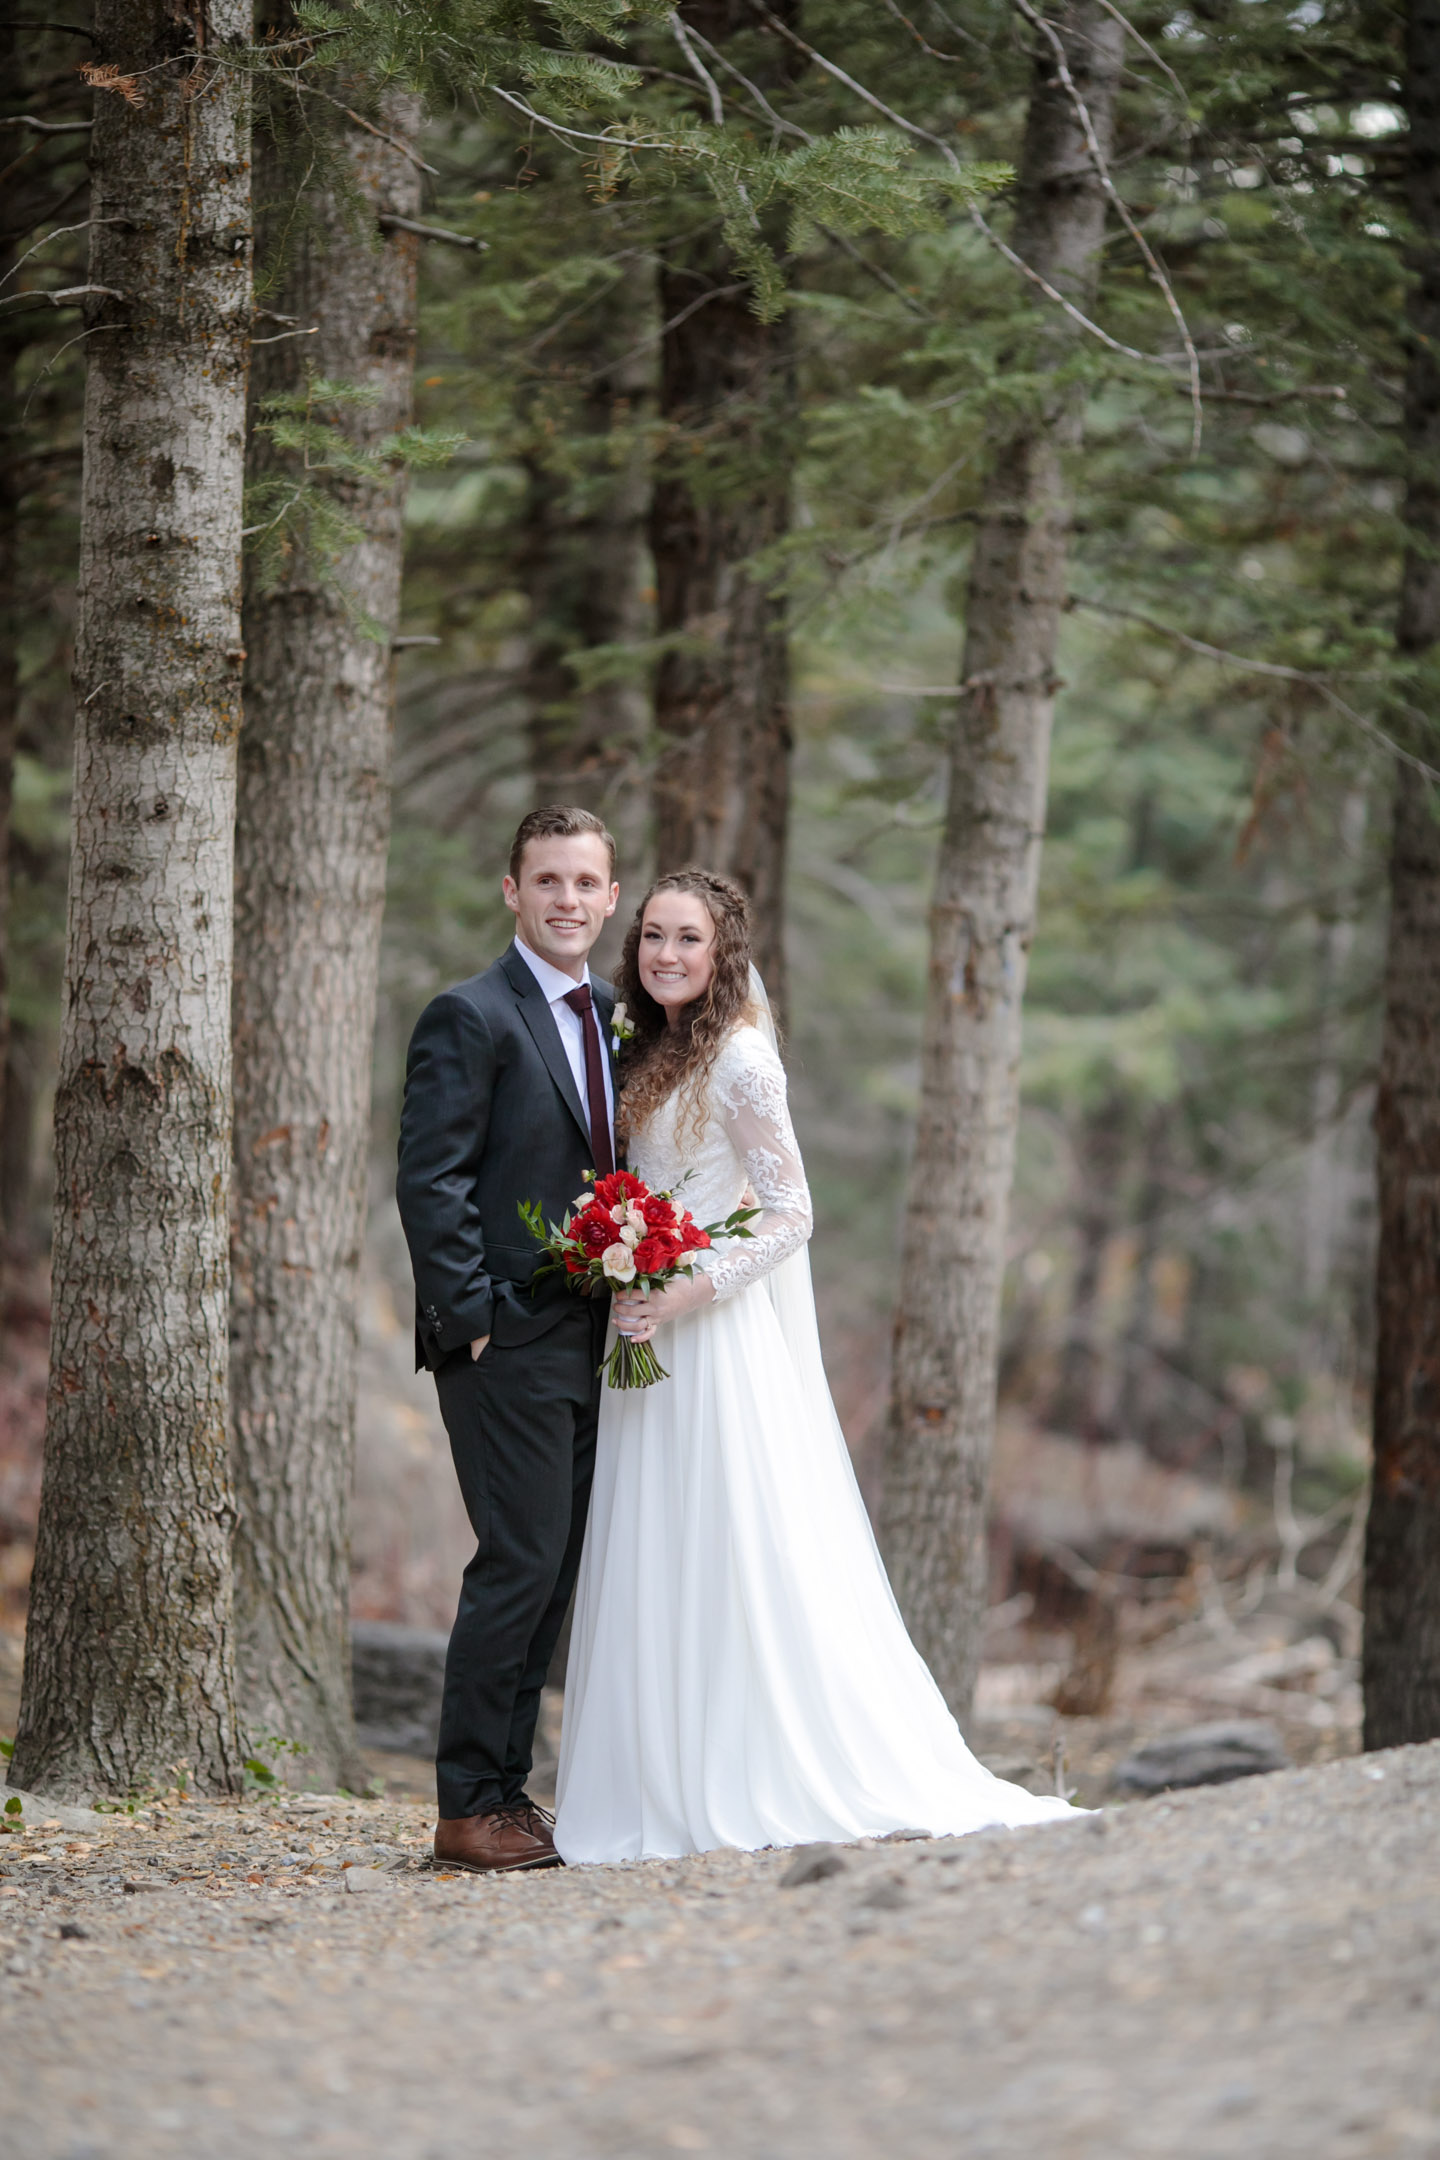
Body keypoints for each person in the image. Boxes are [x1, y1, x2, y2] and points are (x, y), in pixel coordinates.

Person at [553, 868, 1077, 1863]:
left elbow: (792, 1213)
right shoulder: (647, 1047)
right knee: (656, 1547)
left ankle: (745, 1768)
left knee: (728, 1549)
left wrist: (682, 1287)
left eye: (687, 941)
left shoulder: (740, 1056)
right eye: (653, 936)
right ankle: (656, 1774)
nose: (666, 955)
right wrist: (623, 1261)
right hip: (644, 1331)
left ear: (721, 955)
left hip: (709, 1336)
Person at [396, 804, 620, 1873]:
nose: (566, 900)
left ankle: (507, 1792)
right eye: (547, 881)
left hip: (591, 1339)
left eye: (585, 882)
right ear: (512, 892)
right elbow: (429, 1178)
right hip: (504, 1342)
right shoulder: (469, 1014)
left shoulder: (617, 1016)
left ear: (610, 898)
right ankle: (464, 1806)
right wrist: (472, 1320)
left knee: (557, 1572)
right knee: (518, 1562)